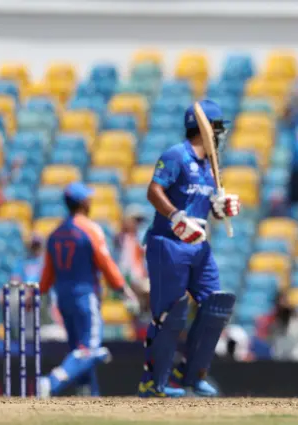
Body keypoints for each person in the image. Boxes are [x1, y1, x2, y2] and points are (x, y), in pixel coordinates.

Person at [138, 99, 240, 398]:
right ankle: (153, 381)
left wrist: (221, 208)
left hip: (199, 245)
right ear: (206, 129)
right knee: (172, 314)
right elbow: (153, 190)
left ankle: (191, 374)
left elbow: (208, 207)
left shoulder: (210, 165)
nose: (221, 136)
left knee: (216, 305)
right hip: (168, 243)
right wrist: (175, 216)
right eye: (218, 129)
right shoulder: (176, 156)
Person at [37, 182, 135, 397]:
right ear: (83, 203)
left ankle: (89, 394)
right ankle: (52, 382)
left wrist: (40, 292)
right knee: (89, 349)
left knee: (78, 351)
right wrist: (122, 288)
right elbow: (105, 262)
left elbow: (47, 274)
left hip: (62, 298)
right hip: (85, 296)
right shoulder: (90, 229)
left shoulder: (55, 233)